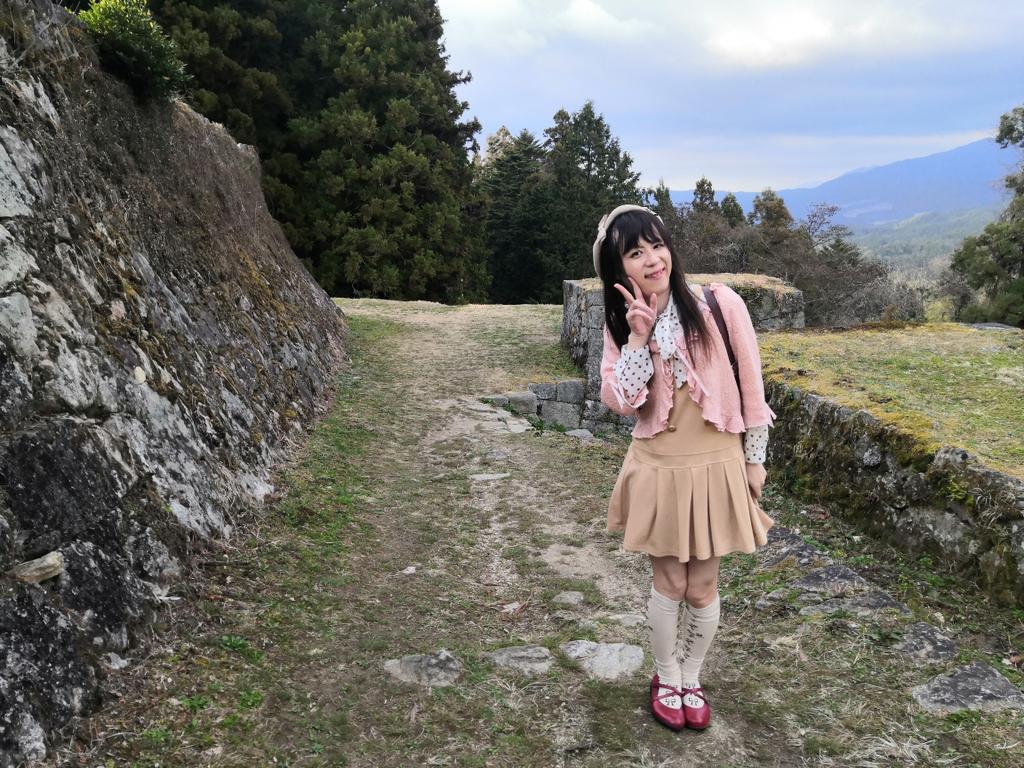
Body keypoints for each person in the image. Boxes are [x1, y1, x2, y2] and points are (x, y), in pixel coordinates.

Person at [593, 204, 777, 732]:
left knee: (703, 585)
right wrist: (638, 338)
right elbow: (621, 402)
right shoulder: (620, 323)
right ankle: (667, 676)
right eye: (635, 252)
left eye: (657, 245)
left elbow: (752, 386)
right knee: (670, 582)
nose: (653, 259)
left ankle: (692, 677)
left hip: (717, 461)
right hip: (660, 466)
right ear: (618, 268)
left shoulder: (719, 303)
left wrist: (755, 458)